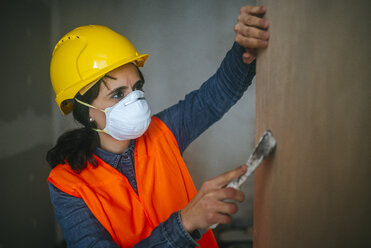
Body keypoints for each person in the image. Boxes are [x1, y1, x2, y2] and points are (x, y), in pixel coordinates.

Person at [46, 5, 270, 248]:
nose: (134, 100)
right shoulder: (67, 185)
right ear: (86, 111)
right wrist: (184, 223)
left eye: (137, 88)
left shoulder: (164, 131)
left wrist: (244, 48)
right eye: (117, 94)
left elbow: (216, 95)